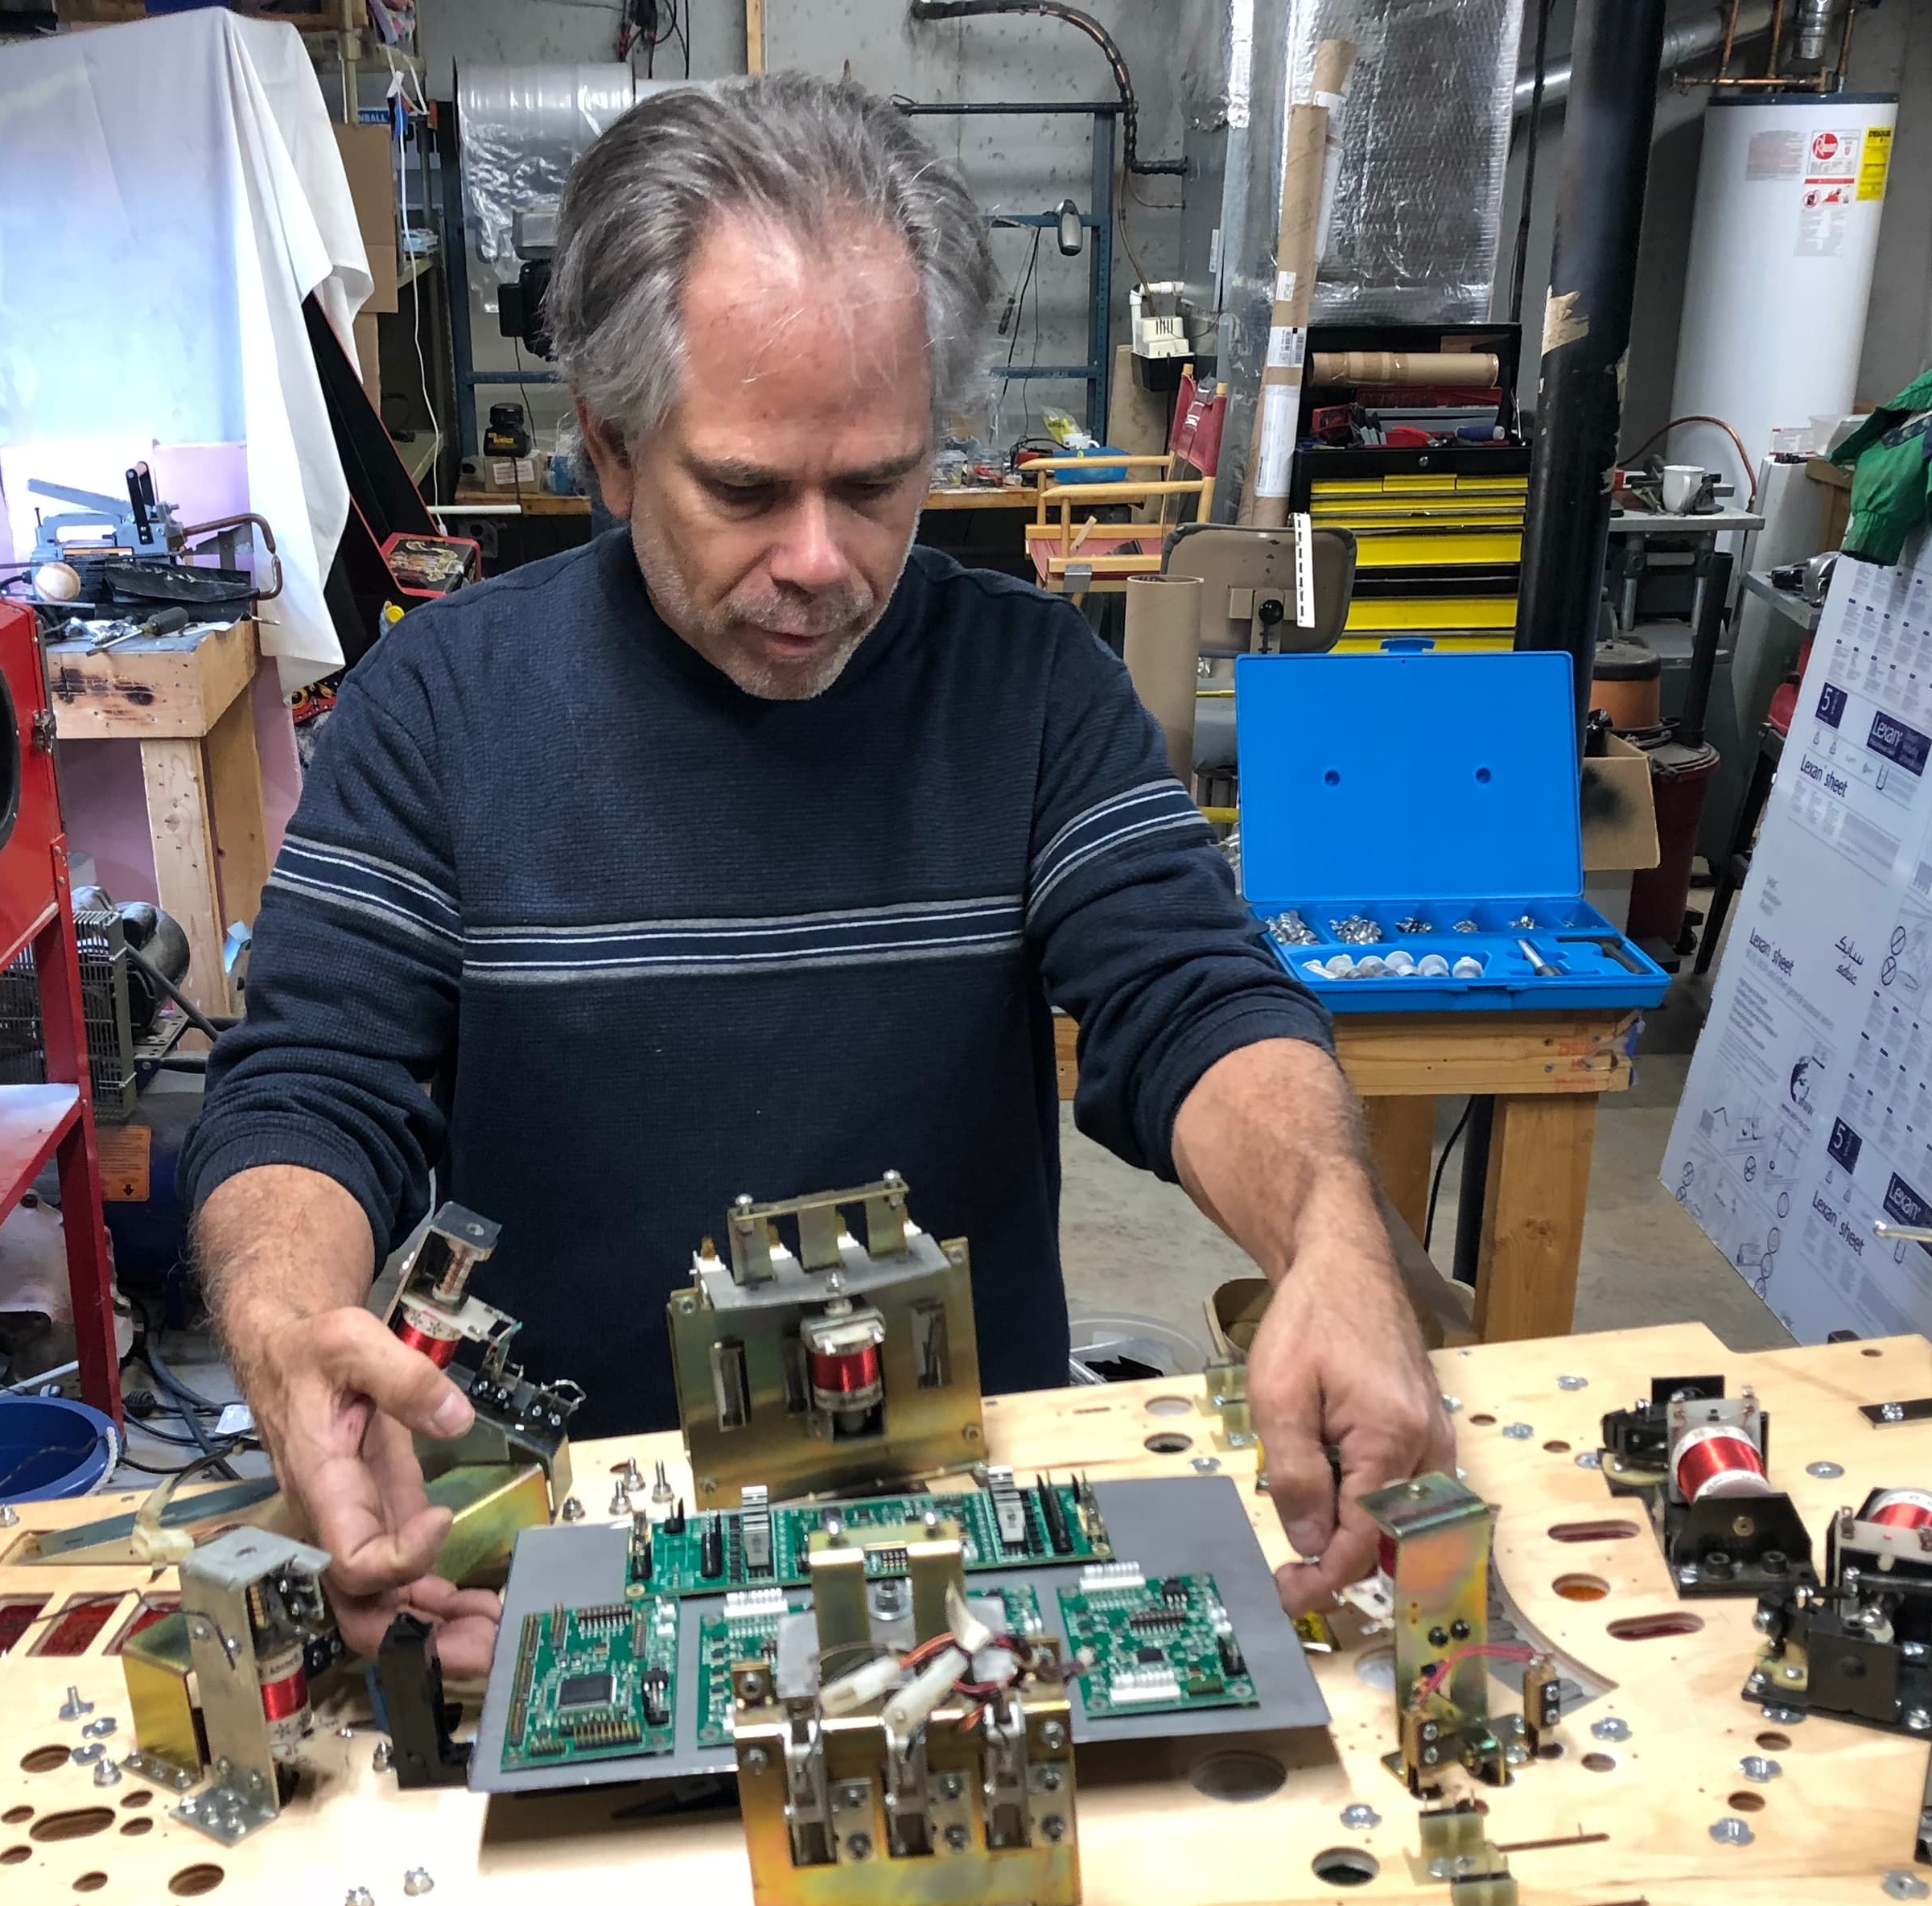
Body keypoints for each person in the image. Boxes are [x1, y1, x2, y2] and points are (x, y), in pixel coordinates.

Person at [184, 73, 1451, 1678]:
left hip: (956, 1562)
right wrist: (293, 1320)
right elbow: (313, 1083)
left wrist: (1334, 1239)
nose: (820, 563)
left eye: (875, 487)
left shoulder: (1029, 687)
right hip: (557, 1552)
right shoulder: (441, 711)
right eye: (745, 490)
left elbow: (1188, 997)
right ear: (611, 446)